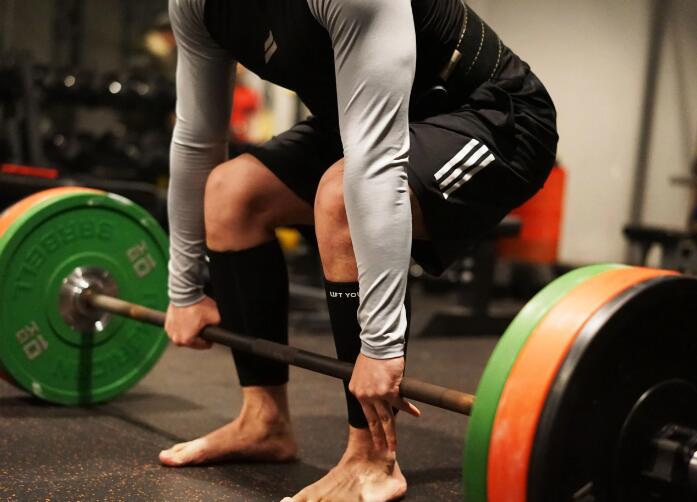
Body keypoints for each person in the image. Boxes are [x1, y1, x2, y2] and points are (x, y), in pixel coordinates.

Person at [160, 0, 558, 500]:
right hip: (360, 118)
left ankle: (373, 457)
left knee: (341, 198)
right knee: (230, 193)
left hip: (491, 115)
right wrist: (184, 289)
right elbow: (197, 138)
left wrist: (381, 346)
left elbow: (375, 163)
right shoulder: (195, 5)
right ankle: (263, 421)